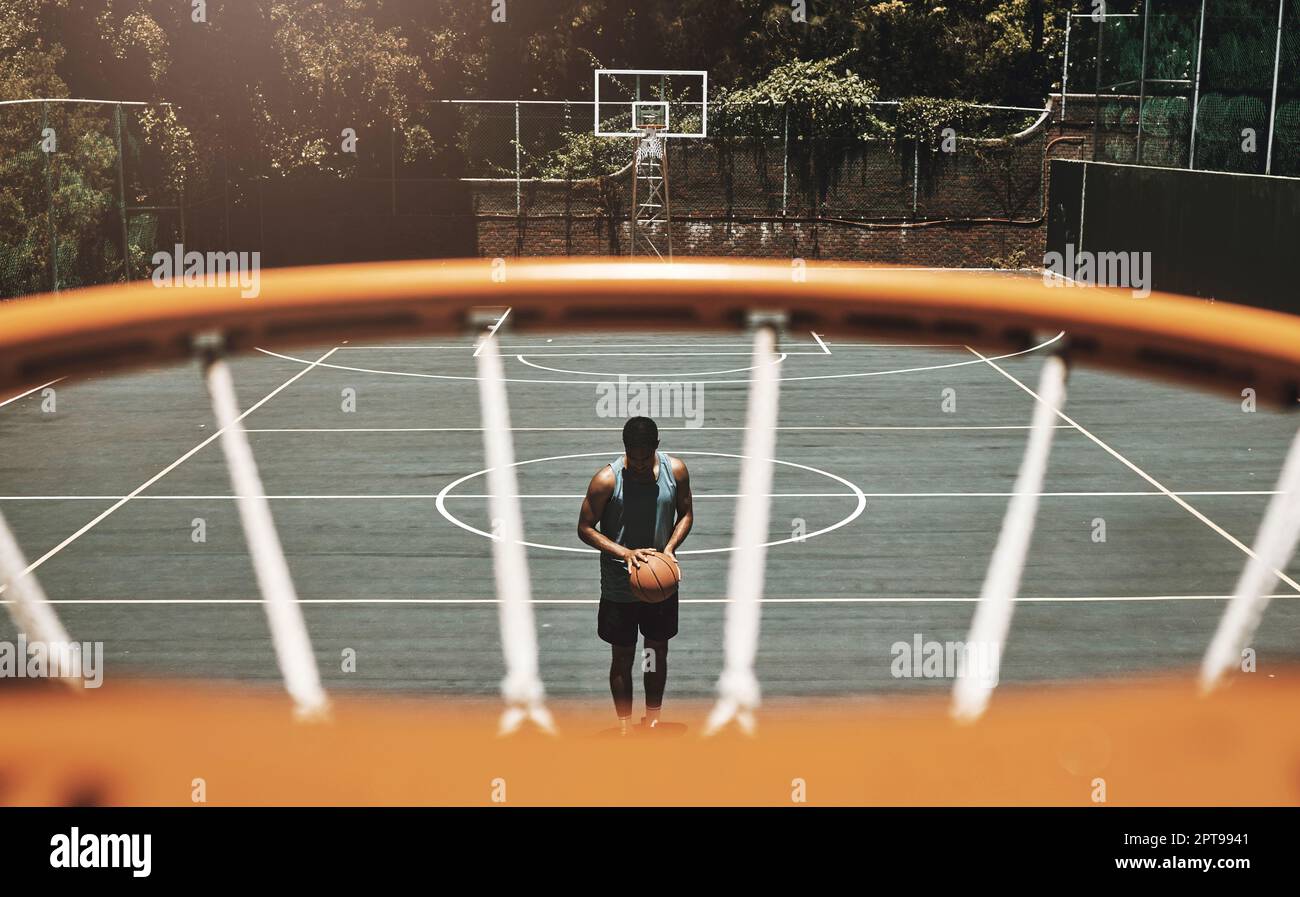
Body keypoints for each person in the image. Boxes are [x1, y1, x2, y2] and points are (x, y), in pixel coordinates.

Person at [577, 416, 693, 734]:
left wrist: (669, 549)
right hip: (620, 582)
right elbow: (584, 528)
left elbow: (686, 514)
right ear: (625, 448)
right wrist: (625, 553)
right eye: (633, 456)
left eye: (645, 456)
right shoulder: (606, 480)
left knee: (656, 649)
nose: (639, 464)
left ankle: (653, 718)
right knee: (623, 654)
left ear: (656, 447)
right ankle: (625, 726)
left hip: (660, 578)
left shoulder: (676, 471)